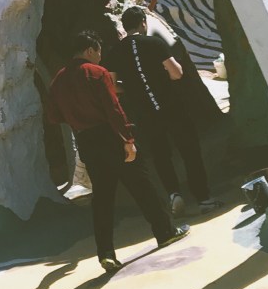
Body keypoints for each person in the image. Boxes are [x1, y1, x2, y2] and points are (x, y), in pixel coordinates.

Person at [47, 29, 188, 272]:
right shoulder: (96, 73)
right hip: (111, 136)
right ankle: (165, 232)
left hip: (86, 141)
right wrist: (128, 140)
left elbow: (53, 116)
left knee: (102, 198)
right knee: (142, 186)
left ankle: (106, 254)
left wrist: (76, 117)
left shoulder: (58, 81)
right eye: (98, 51)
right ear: (89, 50)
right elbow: (113, 110)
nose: (100, 56)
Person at [110, 5, 221, 216]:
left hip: (144, 112)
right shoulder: (154, 43)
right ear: (143, 23)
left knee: (160, 155)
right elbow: (176, 73)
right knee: (189, 150)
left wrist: (131, 87)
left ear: (124, 27)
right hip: (170, 105)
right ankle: (203, 198)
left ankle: (173, 194)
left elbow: (113, 86)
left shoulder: (115, 53)